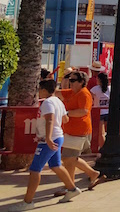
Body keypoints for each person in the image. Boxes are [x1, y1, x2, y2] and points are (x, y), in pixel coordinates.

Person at [10, 80, 82, 211]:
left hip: (48, 140)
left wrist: (48, 137)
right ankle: (72, 189)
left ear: (44, 90)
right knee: (56, 165)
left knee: (35, 169)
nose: (38, 92)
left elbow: (49, 119)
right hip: (57, 136)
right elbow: (65, 119)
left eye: (39, 89)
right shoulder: (58, 101)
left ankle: (28, 201)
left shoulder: (48, 103)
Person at [56, 70, 104, 195]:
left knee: (68, 158)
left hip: (80, 131)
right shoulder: (72, 92)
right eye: (68, 79)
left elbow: (83, 111)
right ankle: (93, 174)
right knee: (71, 158)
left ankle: (70, 186)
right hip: (71, 131)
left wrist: (65, 113)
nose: (69, 82)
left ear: (81, 82)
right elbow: (57, 93)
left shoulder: (84, 94)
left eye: (72, 80)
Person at [89, 72, 110, 149]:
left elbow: (89, 99)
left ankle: (102, 149)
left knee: (101, 133)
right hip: (108, 112)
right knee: (107, 133)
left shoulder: (95, 89)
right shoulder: (110, 89)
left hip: (99, 112)